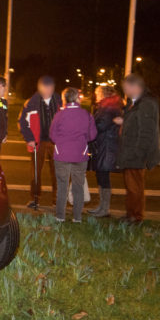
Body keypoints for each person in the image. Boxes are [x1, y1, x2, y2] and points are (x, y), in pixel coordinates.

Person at [114, 74, 160, 224]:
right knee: (130, 187)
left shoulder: (146, 104)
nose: (125, 91)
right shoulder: (134, 102)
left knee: (135, 187)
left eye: (126, 88)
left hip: (136, 152)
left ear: (136, 87)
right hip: (129, 151)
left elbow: (146, 131)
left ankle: (136, 217)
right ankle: (130, 214)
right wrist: (124, 120)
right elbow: (135, 121)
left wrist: (138, 152)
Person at [49, 87, 97, 222]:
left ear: (65, 99)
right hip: (80, 154)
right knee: (78, 186)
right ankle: (77, 217)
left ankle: (60, 216)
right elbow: (92, 135)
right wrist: (81, 140)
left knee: (62, 186)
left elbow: (52, 135)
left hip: (61, 154)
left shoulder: (59, 115)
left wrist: (62, 142)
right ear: (77, 98)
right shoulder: (86, 114)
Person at [18, 75, 62, 209]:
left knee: (58, 172)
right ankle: (35, 198)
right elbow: (22, 122)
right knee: (35, 172)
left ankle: (57, 200)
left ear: (53, 88)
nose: (48, 90)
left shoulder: (60, 101)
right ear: (40, 87)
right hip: (38, 142)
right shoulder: (31, 102)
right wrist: (29, 138)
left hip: (56, 142)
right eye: (45, 87)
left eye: (50, 88)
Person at [87, 85, 123, 218]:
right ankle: (102, 207)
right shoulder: (107, 106)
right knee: (101, 175)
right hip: (104, 144)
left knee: (103, 176)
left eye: (97, 93)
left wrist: (89, 125)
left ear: (103, 94)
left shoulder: (108, 107)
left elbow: (101, 125)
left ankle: (105, 208)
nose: (96, 95)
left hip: (106, 146)